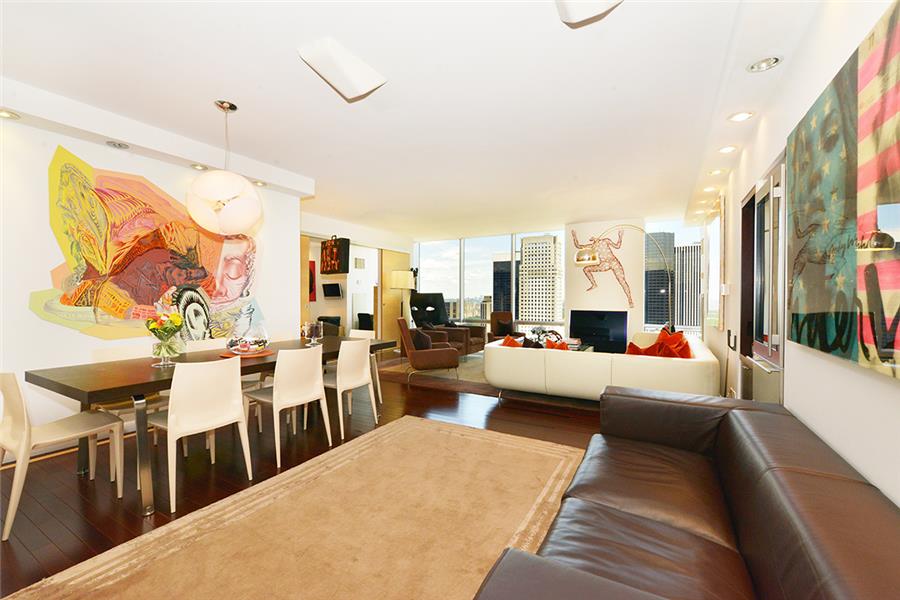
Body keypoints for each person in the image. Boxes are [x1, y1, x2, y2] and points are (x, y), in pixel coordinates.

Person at [571, 229, 634, 307]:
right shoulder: (592, 246)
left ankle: (630, 299)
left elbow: (617, 246)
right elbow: (579, 246)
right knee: (586, 269)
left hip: (614, 262)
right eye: (591, 238)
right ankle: (594, 284)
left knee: (622, 281)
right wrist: (574, 236)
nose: (591, 238)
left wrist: (620, 236)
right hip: (604, 264)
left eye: (593, 237)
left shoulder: (605, 241)